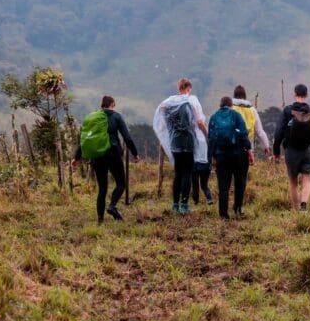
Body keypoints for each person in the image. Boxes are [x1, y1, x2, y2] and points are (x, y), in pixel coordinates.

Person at [72, 95, 139, 224]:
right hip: (113, 154)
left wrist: (76, 157)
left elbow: (85, 140)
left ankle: (100, 221)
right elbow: (127, 137)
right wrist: (135, 154)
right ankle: (112, 206)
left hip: (98, 157)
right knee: (121, 184)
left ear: (102, 105)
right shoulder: (116, 116)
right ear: (112, 104)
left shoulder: (95, 118)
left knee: (102, 189)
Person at [153, 77, 208, 214]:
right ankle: (184, 205)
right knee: (187, 173)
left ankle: (175, 205)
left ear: (179, 88)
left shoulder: (168, 104)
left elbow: (161, 126)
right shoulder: (190, 101)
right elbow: (200, 123)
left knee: (177, 173)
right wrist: (208, 136)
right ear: (188, 89)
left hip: (174, 144)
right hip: (188, 142)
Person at [273, 83, 310, 212]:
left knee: (293, 182)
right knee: (307, 180)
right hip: (307, 150)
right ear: (307, 95)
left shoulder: (288, 111)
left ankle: (296, 209)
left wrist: (276, 151)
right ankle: (304, 205)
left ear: (295, 94)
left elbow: (278, 133)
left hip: (291, 150)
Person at [208, 96, 252, 219]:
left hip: (221, 156)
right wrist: (249, 149)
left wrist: (211, 157)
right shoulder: (236, 115)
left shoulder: (213, 117)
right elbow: (243, 133)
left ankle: (223, 215)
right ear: (231, 105)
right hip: (237, 155)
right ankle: (237, 208)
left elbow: (211, 139)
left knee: (223, 186)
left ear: (220, 105)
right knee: (240, 182)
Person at [232, 85, 271, 202]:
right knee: (242, 176)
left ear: (234, 95)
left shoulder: (229, 108)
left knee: (229, 175)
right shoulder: (251, 109)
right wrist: (266, 146)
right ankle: (239, 204)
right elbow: (259, 131)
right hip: (246, 147)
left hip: (229, 146)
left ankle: (226, 202)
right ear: (245, 96)